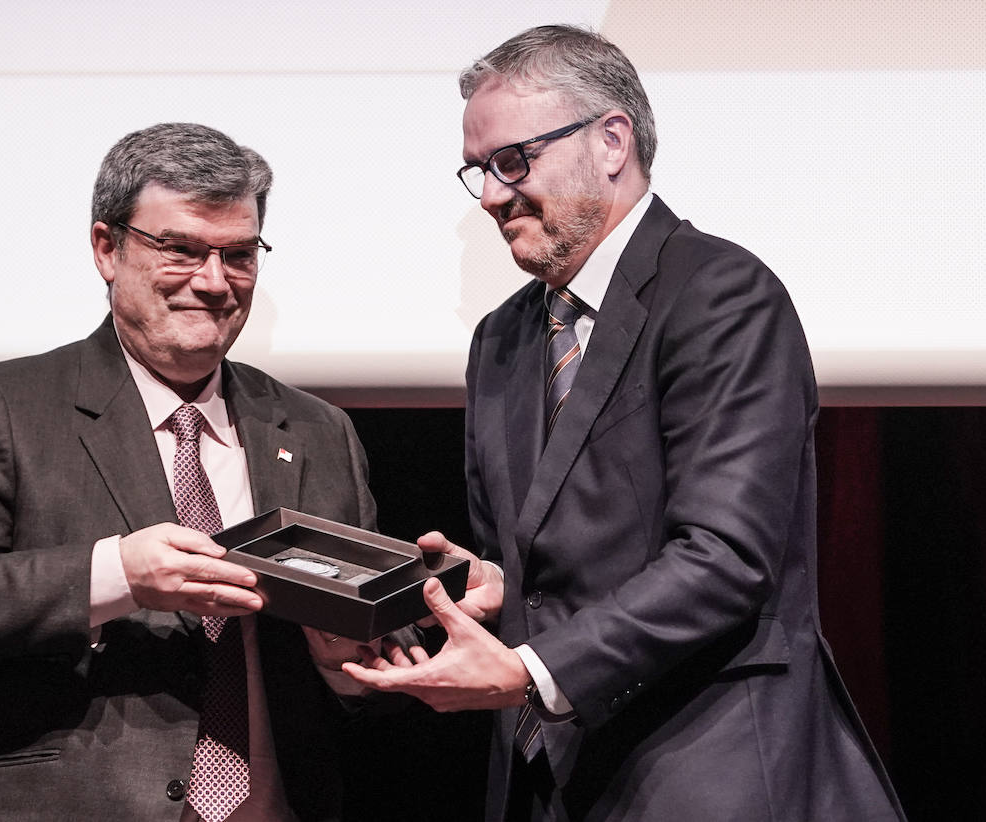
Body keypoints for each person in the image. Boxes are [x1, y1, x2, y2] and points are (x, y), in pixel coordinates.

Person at [345, 25, 907, 821]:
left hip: (706, 774)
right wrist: (498, 587)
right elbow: (554, 559)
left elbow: (725, 559)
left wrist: (533, 668)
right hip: (550, 784)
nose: (495, 196)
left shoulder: (720, 295)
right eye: (479, 173)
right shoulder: (501, 340)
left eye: (513, 161)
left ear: (612, 141)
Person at [0, 122, 392, 821]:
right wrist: (116, 574)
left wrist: (346, 664)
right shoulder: (4, 404)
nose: (213, 282)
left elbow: (362, 681)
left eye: (238, 254)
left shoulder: (318, 431)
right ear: (106, 248)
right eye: (180, 250)